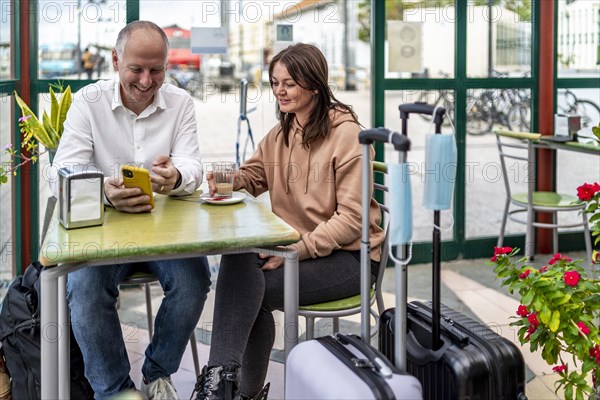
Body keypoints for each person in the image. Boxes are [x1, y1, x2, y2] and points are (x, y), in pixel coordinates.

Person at [191, 43, 385, 399]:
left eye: (289, 83)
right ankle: (226, 385)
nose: (279, 90)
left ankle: (227, 389)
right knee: (240, 256)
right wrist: (235, 180)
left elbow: (352, 220)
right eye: (275, 82)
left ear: (314, 85)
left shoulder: (348, 137)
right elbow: (255, 173)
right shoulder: (284, 131)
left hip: (348, 258)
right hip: (297, 249)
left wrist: (297, 249)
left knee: (252, 291)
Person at [51, 21, 211, 399]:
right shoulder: (88, 102)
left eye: (156, 70)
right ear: (115, 61)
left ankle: (157, 374)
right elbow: (62, 172)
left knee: (195, 281)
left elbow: (193, 165)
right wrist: (106, 194)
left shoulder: (181, 103)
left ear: (167, 66)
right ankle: (115, 391)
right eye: (135, 69)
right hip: (104, 231)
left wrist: (175, 177)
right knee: (84, 288)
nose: (145, 80)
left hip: (163, 230)